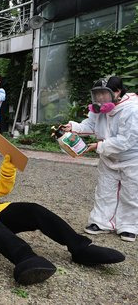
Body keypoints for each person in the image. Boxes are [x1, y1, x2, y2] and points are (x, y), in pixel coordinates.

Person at [0, 133, 125, 285]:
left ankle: (80, 247)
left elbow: (1, 189)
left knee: (33, 210)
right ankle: (26, 259)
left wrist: (7, 170)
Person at [62, 76, 138, 242]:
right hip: (108, 157)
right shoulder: (99, 109)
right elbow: (90, 126)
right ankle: (101, 222)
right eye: (97, 94)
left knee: (131, 193)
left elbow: (126, 140)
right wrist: (73, 127)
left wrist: (98, 146)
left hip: (132, 159)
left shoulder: (132, 109)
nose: (100, 98)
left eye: (104, 93)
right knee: (104, 191)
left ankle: (129, 226)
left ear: (117, 92)